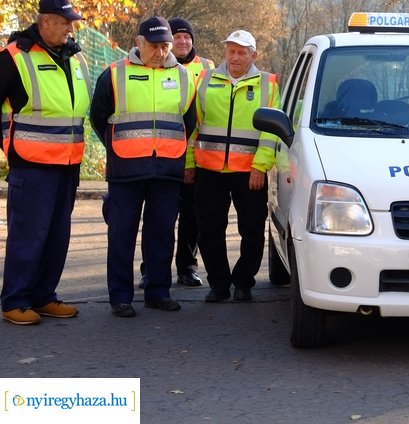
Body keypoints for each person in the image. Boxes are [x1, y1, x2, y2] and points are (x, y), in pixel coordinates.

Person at [91, 16, 197, 317]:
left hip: (167, 170)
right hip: (126, 170)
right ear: (139, 43)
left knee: (162, 234)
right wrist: (116, 147)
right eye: (154, 46)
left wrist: (173, 152)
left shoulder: (183, 76)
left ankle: (158, 291)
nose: (161, 52)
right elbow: (99, 117)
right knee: (121, 234)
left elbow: (188, 121)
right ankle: (121, 297)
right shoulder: (114, 73)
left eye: (165, 46)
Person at [0, 0, 91, 325]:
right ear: (45, 22)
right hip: (32, 164)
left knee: (57, 234)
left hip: (68, 164)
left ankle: (43, 296)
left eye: (72, 22)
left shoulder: (75, 58)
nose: (70, 28)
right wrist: (7, 145)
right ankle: (15, 299)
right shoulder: (15, 57)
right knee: (29, 234)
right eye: (65, 22)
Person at [190, 30, 281, 303]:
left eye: (242, 52)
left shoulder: (269, 85)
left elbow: (271, 132)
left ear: (254, 55)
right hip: (209, 169)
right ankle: (218, 284)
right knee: (209, 230)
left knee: (252, 230)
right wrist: (188, 163)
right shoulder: (204, 80)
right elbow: (193, 125)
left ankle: (244, 282)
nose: (235, 57)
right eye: (231, 51)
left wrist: (260, 166)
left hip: (248, 173)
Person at [159, 17, 214, 287]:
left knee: (192, 217)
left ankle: (187, 268)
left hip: (196, 157)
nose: (182, 41)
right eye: (177, 37)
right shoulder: (156, 64)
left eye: (187, 37)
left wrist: (192, 160)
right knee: (161, 217)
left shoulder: (206, 68)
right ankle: (153, 269)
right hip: (164, 155)